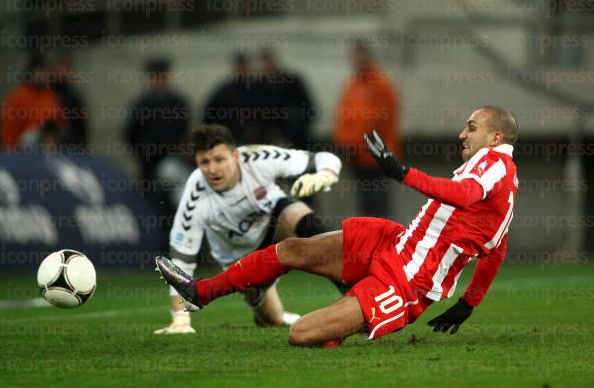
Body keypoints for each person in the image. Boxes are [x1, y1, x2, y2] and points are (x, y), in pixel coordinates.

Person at [156, 106, 519, 346]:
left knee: (301, 334)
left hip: (408, 281)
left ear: (495, 138)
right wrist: (469, 302)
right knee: (292, 249)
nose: (461, 134)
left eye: (471, 128)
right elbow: (496, 247)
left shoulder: (495, 165)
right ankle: (200, 293)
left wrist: (402, 172)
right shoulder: (501, 179)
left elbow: (465, 195)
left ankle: (344, 321)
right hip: (395, 242)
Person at [154, 124, 345, 334]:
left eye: (219, 159)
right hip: (242, 259)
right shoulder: (195, 197)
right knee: (271, 320)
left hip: (276, 225)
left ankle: (351, 291)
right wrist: (180, 319)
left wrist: (324, 176)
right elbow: (182, 260)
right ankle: (276, 315)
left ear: (235, 156)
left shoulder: (260, 158)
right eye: (204, 162)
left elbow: (327, 158)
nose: (213, 169)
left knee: (297, 214)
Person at [332, 39, 400, 217]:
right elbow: (342, 117)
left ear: (368, 56)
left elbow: (374, 123)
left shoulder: (380, 85)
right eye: (355, 55)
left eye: (361, 54)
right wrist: (343, 144)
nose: (357, 59)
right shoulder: (353, 85)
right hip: (357, 157)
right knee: (365, 207)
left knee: (377, 207)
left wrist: (351, 144)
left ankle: (382, 244)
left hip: (375, 157)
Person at [124, 58, 190, 183]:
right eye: (156, 77)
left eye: (163, 77)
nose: (160, 81)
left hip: (174, 158)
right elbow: (131, 133)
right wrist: (144, 152)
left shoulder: (178, 102)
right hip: (149, 162)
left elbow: (184, 130)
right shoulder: (142, 104)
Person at [253, 49, 315, 149]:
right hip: (270, 136)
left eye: (269, 61)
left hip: (295, 135)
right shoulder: (257, 86)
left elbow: (307, 105)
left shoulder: (291, 81)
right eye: (264, 62)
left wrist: (300, 127)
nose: (267, 65)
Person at [0, 54, 63, 149]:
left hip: (49, 153)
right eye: (40, 72)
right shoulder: (16, 98)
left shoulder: (51, 97)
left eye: (46, 72)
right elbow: (8, 133)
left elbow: (59, 125)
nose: (43, 76)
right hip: (21, 154)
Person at [202, 53, 258, 145]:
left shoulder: (257, 89)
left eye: (244, 67)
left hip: (255, 141)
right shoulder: (225, 91)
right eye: (239, 68)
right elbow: (209, 114)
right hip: (231, 140)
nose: (242, 71)